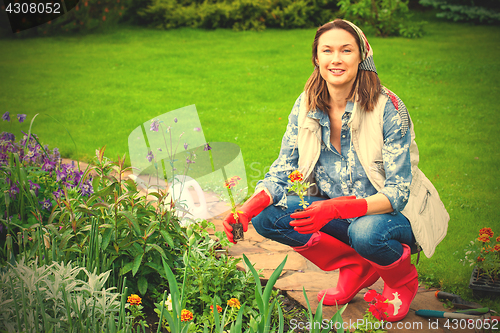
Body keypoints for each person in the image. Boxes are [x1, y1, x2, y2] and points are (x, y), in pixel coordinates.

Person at [223, 19, 448, 322]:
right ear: (316, 58)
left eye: (346, 50)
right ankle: (355, 266)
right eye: (327, 50)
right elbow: (284, 168)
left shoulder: (388, 107)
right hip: (336, 211)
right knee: (268, 217)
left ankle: (401, 281)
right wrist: (248, 208)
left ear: (361, 56)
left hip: (394, 216)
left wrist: (335, 208)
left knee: (365, 232)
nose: (336, 59)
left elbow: (397, 192)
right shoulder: (306, 104)